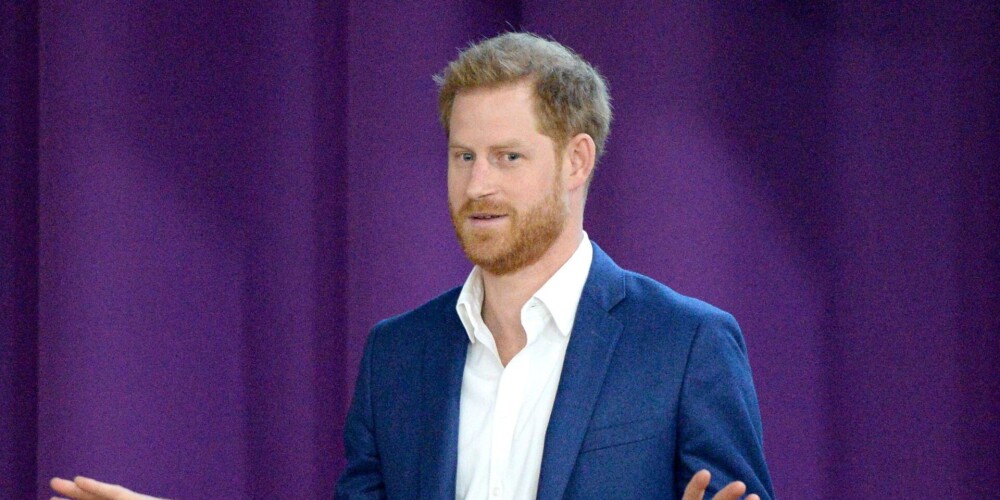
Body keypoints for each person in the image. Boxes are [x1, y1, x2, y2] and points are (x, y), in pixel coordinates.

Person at [51, 32, 773, 500]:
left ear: (576, 160)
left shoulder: (684, 345)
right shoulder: (398, 355)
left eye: (508, 157)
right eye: (463, 156)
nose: (477, 184)